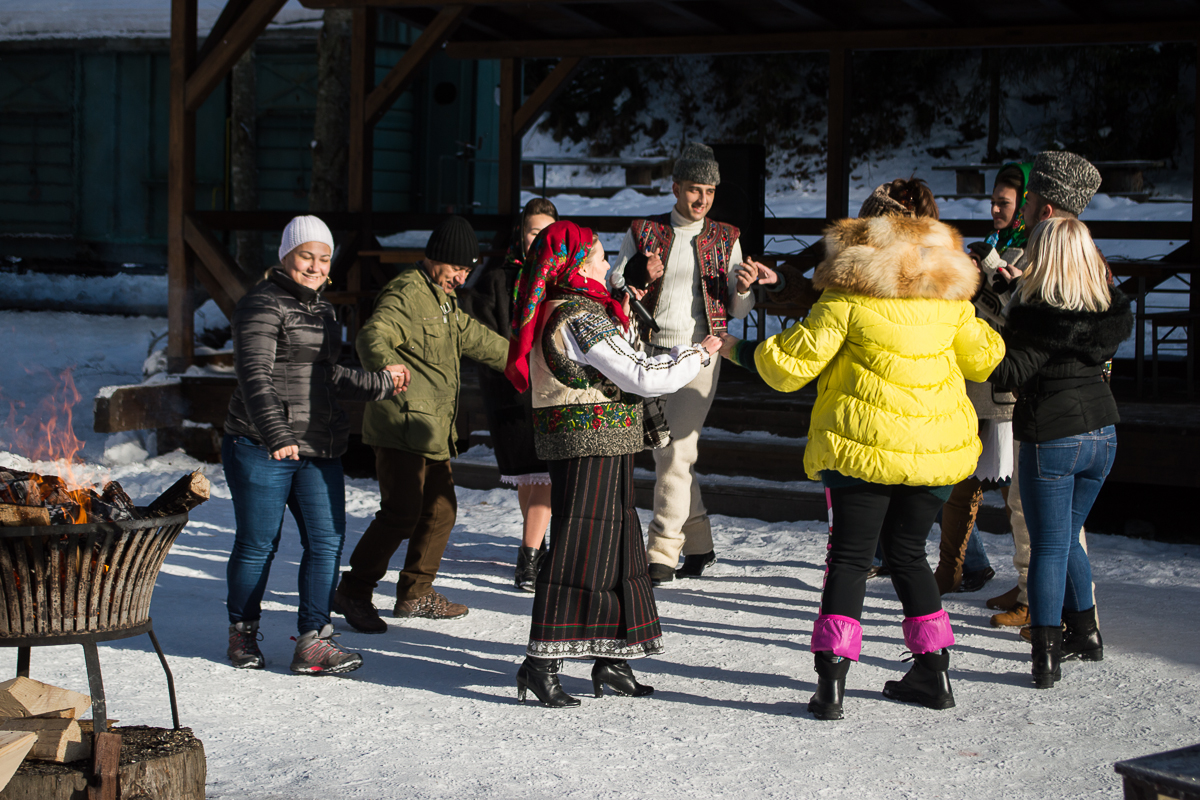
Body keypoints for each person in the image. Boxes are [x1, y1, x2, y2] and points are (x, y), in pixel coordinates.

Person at [719, 211, 1005, 719]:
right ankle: (934, 672)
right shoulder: (953, 306)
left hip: (860, 449)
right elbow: (985, 360)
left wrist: (736, 350)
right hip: (936, 452)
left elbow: (788, 368)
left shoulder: (846, 302)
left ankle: (831, 684)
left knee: (849, 558)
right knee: (910, 555)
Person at [506, 220, 722, 707]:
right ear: (578, 266)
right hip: (587, 445)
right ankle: (540, 664)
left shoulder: (581, 308)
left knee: (618, 544)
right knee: (578, 545)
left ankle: (612, 657)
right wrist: (698, 355)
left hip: (604, 443)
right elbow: (641, 373)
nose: (609, 266)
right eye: (602, 258)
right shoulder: (579, 315)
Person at [223, 215, 409, 674]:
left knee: (326, 542)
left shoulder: (322, 311)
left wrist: (380, 383)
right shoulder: (261, 304)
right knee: (258, 544)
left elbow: (326, 376)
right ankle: (242, 635)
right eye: (307, 255)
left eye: (324, 258)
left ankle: (314, 640)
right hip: (260, 443)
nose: (315, 266)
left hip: (318, 446)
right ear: (286, 255)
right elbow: (254, 376)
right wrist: (277, 433)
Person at [332, 216, 509, 632]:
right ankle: (354, 590)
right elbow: (372, 335)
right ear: (437, 260)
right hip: (401, 424)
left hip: (429, 429)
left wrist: (523, 361)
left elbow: (473, 336)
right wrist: (384, 364)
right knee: (402, 512)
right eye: (458, 269)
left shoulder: (443, 299)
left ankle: (414, 593)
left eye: (468, 270)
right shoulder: (407, 294)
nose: (462, 277)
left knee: (441, 510)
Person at [987, 215, 1132, 689]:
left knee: (1049, 543)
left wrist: (999, 316)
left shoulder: (1039, 319)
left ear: (1042, 258)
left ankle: (1044, 654)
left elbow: (1008, 373)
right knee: (1067, 536)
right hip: (1102, 434)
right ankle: (1086, 633)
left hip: (1053, 436)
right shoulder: (1106, 310)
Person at [608, 142, 756, 585]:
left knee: (675, 453)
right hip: (648, 353)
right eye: (695, 189)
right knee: (666, 453)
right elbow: (615, 283)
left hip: (701, 354)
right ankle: (699, 543)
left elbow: (738, 309)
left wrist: (745, 289)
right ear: (675, 187)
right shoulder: (643, 231)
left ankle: (661, 551)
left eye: (709, 191)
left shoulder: (725, 237)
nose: (702, 200)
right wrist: (637, 272)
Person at [459, 198, 558, 592]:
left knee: (544, 473)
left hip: (552, 387)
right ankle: (535, 549)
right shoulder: (497, 277)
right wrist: (510, 360)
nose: (539, 239)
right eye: (534, 231)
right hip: (509, 388)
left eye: (547, 232)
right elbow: (478, 330)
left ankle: (530, 555)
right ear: (521, 233)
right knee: (526, 473)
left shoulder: (562, 274)